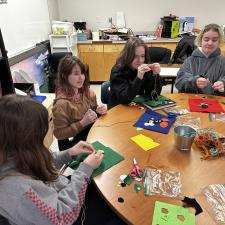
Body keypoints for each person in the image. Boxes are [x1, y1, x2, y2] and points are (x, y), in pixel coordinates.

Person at [0, 94, 104, 225]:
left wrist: (69, 153)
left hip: (61, 193)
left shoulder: (14, 151)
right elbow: (62, 217)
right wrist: (85, 170)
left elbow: (38, 162)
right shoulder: (16, 190)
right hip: (68, 213)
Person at [52, 56, 107, 151]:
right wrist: (82, 123)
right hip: (75, 146)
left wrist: (98, 111)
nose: (81, 77)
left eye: (82, 73)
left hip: (91, 134)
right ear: (64, 76)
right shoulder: (61, 104)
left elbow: (93, 111)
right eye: (76, 74)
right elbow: (59, 134)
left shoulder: (88, 93)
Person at [109, 37, 163, 108]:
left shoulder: (144, 67)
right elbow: (125, 99)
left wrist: (155, 75)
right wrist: (139, 78)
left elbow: (153, 94)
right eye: (135, 56)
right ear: (128, 55)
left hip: (136, 106)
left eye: (142, 56)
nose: (140, 60)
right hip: (118, 107)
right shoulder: (118, 71)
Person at [175, 23, 225, 96]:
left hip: (216, 103)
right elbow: (179, 83)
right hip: (192, 101)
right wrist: (194, 82)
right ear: (201, 39)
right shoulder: (190, 61)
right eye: (206, 39)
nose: (210, 43)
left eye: (214, 40)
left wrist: (223, 84)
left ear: (219, 42)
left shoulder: (223, 62)